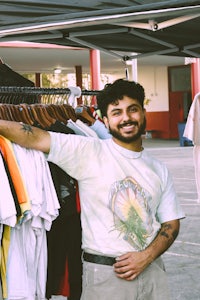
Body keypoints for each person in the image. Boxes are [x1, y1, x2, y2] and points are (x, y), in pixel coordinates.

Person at [0, 79, 185, 300]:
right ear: (105, 121)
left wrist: (146, 256)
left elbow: (171, 223)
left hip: (153, 272)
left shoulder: (158, 168)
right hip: (106, 275)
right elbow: (34, 135)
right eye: (117, 113)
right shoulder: (89, 151)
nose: (126, 118)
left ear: (143, 113)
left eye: (132, 110)